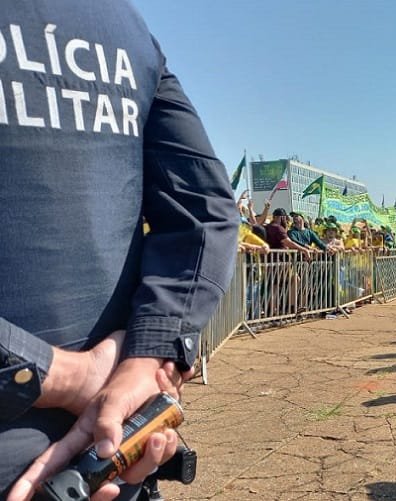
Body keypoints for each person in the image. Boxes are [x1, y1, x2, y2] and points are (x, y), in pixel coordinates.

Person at [0, 1, 241, 499]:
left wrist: (129, 361)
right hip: (103, 458)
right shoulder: (123, 27)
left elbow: (202, 210)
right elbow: (205, 211)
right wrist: (145, 356)